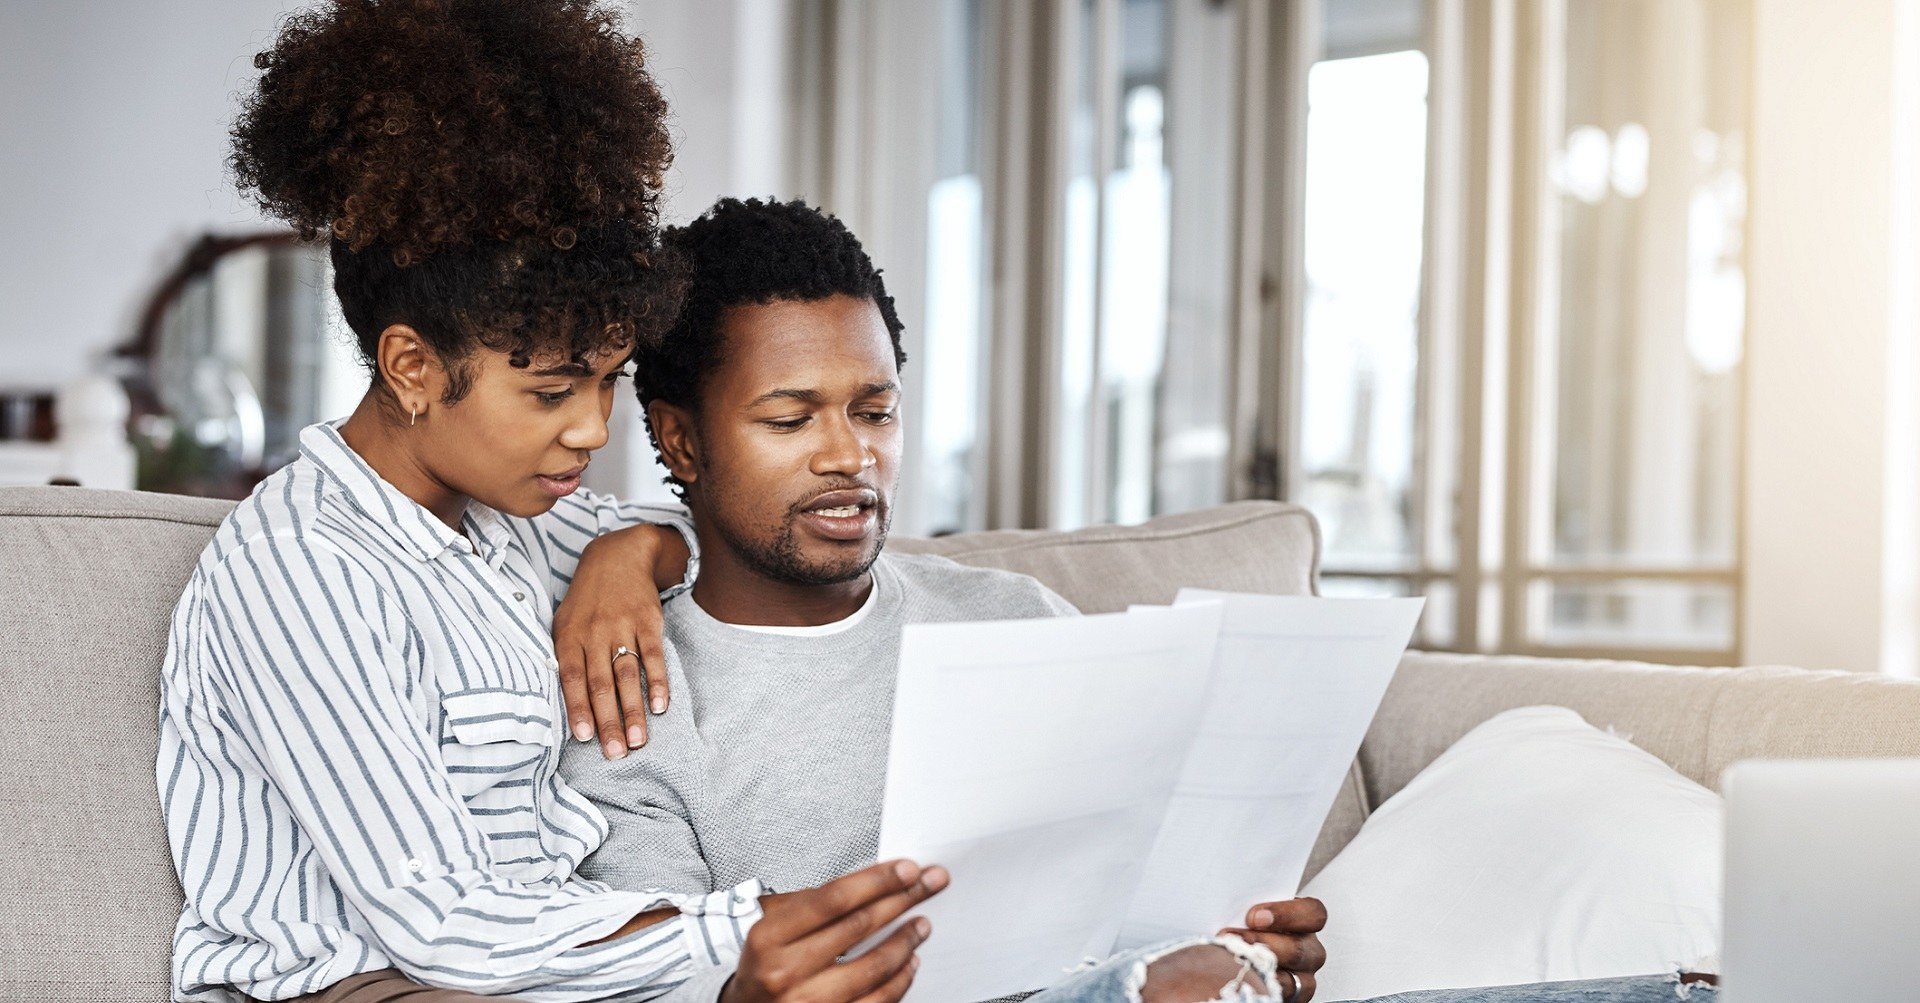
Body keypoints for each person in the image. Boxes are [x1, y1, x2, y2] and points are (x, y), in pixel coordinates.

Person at [158, 6, 941, 1002]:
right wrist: (745, 927)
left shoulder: (516, 521)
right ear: (411, 365)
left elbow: (685, 549)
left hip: (540, 966)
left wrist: (632, 557)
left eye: (611, 379)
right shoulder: (302, 572)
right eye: (551, 390)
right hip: (364, 983)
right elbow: (442, 922)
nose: (591, 429)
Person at [560, 198, 1328, 1003]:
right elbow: (658, 976)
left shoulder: (1020, 618)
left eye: (877, 411)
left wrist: (1250, 945)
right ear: (681, 441)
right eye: (790, 419)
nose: (850, 454)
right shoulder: (628, 704)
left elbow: (1163, 889)